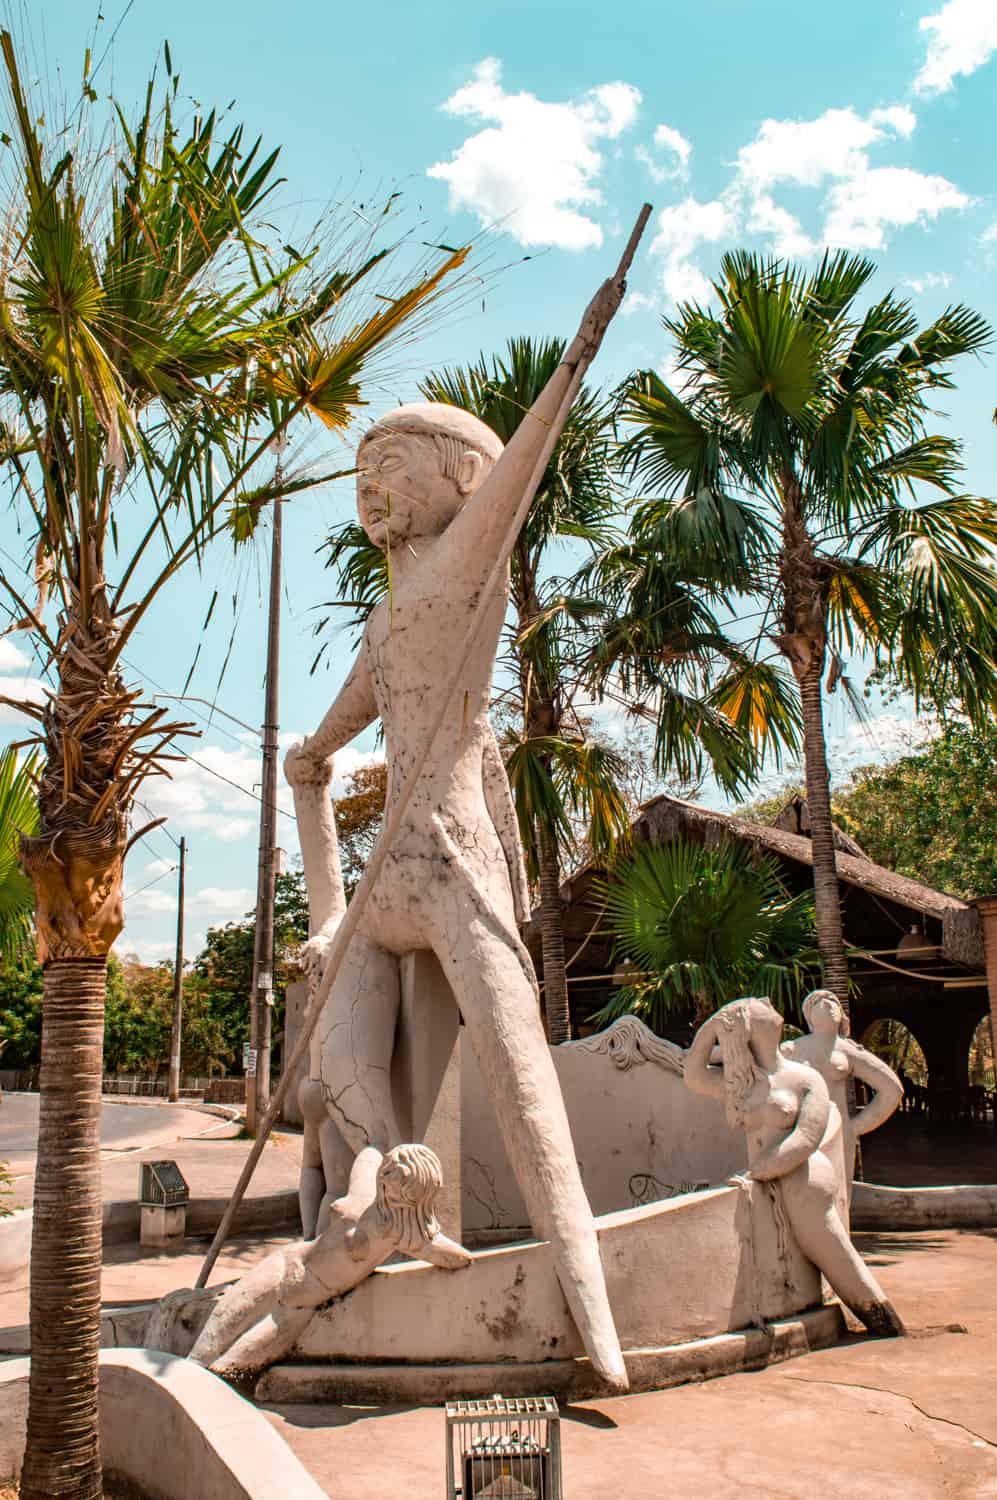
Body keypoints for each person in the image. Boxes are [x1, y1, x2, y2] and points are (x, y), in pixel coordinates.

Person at [283, 278, 631, 1391]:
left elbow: (526, 461)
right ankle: (396, 1212)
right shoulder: (384, 616)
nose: (371, 481)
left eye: (394, 462)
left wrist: (576, 353)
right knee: (334, 1076)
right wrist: (319, 866)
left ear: (459, 480)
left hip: (451, 865)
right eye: (361, 468)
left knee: (528, 1096)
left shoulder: (464, 572)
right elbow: (315, 751)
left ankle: (590, 1309)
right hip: (381, 879)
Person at [684, 997, 904, 1337]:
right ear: (751, 1028)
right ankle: (885, 1325)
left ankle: (887, 1325)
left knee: (843, 1266)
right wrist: (713, 1025)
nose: (769, 1003)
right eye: (760, 1006)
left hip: (807, 1184)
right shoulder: (741, 1083)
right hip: (774, 1184)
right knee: (838, 1264)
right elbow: (693, 1074)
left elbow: (805, 1138)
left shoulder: (805, 1079)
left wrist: (757, 1172)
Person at [189, 1144, 469, 1372]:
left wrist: (438, 1237)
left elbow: (454, 1257)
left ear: (413, 1190)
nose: (386, 1175)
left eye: (396, 1174)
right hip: (285, 1264)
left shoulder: (404, 1234)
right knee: (208, 1344)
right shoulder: (367, 1191)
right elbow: (369, 1153)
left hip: (300, 1308)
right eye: (389, 1167)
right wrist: (384, 1157)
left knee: (225, 1369)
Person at [784, 988, 903, 1202]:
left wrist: (855, 1127)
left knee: (838, 1195)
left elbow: (892, 1089)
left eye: (833, 1001)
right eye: (820, 1001)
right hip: (799, 1131)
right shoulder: (792, 1049)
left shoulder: (849, 1050)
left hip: (838, 1132)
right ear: (808, 1016)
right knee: (802, 1196)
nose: (828, 1004)